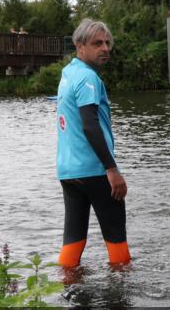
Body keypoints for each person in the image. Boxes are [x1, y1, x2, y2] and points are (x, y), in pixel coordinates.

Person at [55, 18, 129, 269]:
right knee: (116, 238)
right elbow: (89, 124)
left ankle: (68, 289)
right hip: (95, 170)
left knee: (73, 238)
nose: (105, 48)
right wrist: (112, 169)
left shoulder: (69, 74)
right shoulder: (88, 78)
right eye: (97, 43)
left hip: (69, 171)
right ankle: (120, 300)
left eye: (108, 43)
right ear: (79, 46)